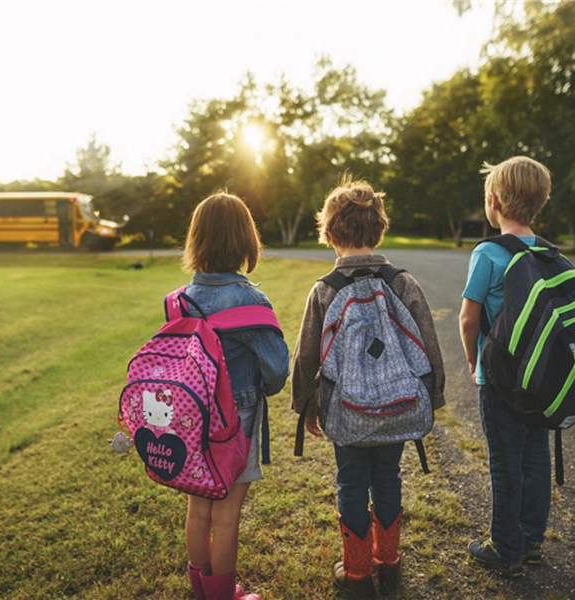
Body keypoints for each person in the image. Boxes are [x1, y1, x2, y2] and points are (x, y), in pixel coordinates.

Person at [291, 175, 446, 598]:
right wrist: (434, 396)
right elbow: (429, 345)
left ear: (329, 233)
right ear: (379, 228)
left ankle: (357, 572)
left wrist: (306, 406)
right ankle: (389, 561)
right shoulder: (403, 282)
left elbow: (306, 356)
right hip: (399, 405)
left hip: (347, 409)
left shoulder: (324, 290)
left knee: (351, 481)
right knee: (389, 475)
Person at [181, 192, 290, 600]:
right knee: (226, 515)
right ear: (246, 242)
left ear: (197, 240)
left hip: (191, 420)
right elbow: (277, 371)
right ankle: (224, 595)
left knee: (198, 509)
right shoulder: (250, 301)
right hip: (236, 419)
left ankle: (201, 589)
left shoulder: (180, 300)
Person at [459, 156, 553, 578]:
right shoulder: (548, 252)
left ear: (493, 201)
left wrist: (473, 361)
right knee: (535, 457)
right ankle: (532, 541)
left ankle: (505, 546)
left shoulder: (488, 252)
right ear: (540, 203)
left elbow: (468, 317)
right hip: (541, 379)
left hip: (500, 379)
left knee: (504, 459)